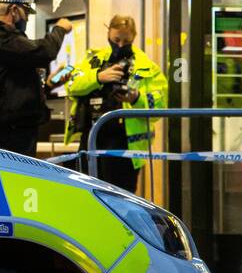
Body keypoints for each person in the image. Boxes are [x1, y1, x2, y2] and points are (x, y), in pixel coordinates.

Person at [64, 14, 167, 192]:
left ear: (133, 37)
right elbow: (71, 85)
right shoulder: (93, 60)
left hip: (125, 145)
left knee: (121, 199)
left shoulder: (147, 68)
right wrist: (97, 77)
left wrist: (136, 98)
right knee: (87, 195)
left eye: (125, 40)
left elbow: (160, 106)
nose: (120, 45)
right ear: (108, 34)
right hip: (91, 138)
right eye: (116, 39)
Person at [0, 0, 72, 156]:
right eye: (27, 14)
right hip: (11, 133)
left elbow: (11, 88)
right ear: (14, 10)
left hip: (9, 129)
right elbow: (45, 51)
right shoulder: (1, 38)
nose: (27, 19)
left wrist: (47, 86)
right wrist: (59, 29)